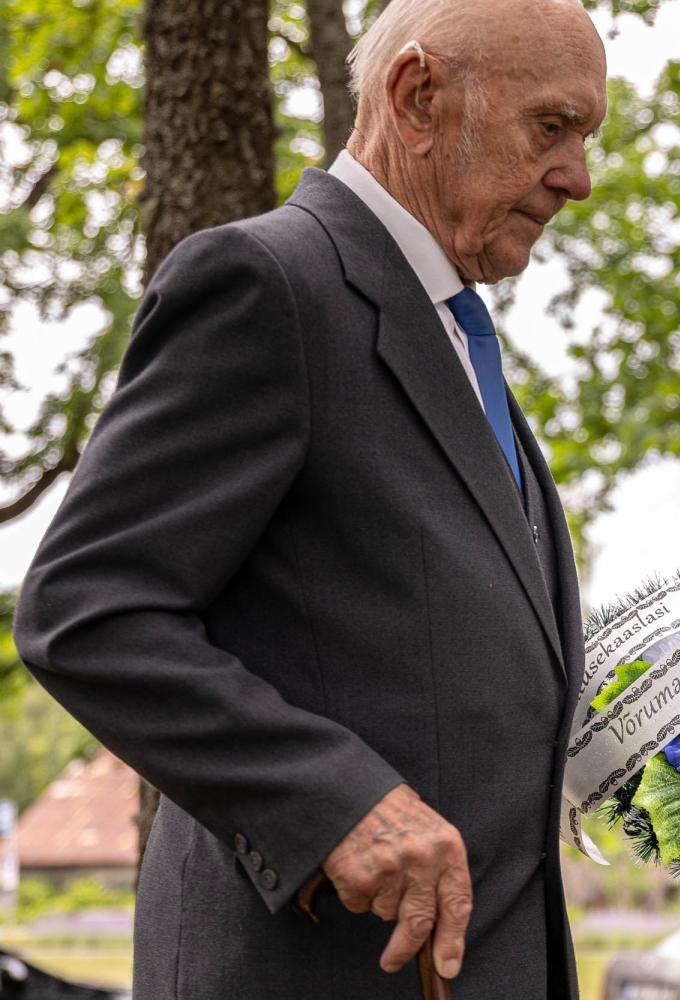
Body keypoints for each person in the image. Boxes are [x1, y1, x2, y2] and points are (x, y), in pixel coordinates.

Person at [11, 0, 607, 996]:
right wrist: (334, 801)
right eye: (551, 126)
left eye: (584, 139)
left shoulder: (454, 333)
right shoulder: (268, 284)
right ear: (417, 96)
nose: (577, 177)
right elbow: (88, 612)